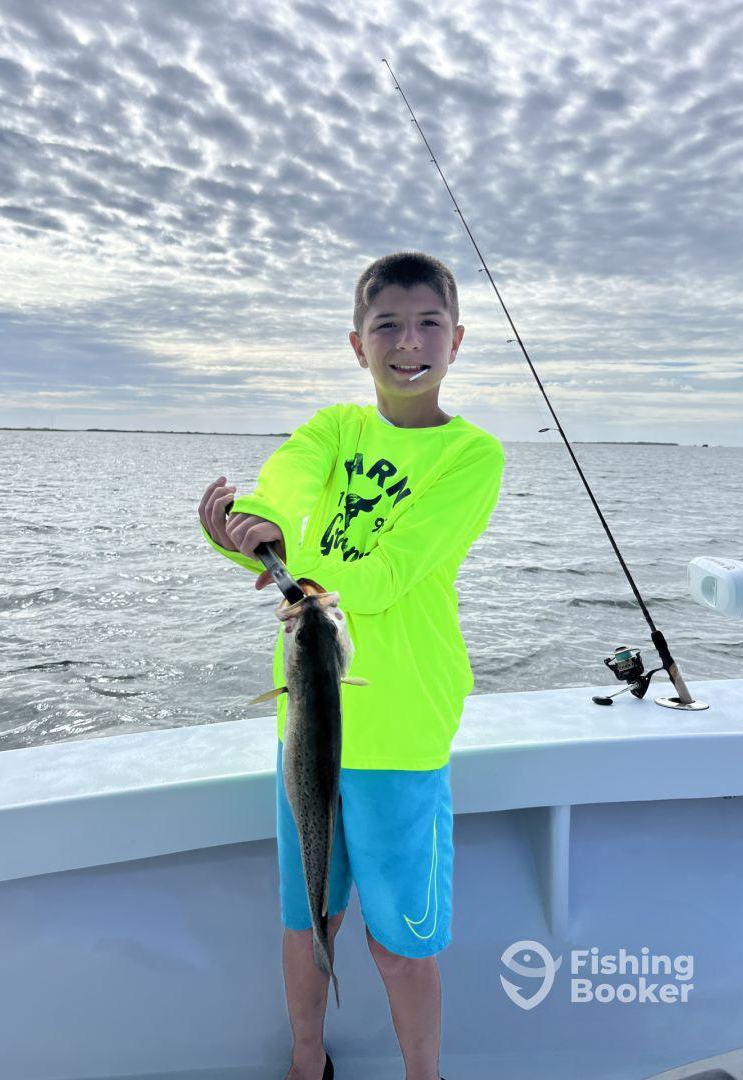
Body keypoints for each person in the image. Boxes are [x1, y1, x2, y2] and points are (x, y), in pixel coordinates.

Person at [197, 251, 506, 1080]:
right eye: (387, 326)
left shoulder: (471, 456)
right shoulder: (337, 429)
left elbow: (395, 571)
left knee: (398, 943)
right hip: (308, 728)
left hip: (401, 731)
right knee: (311, 922)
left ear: (457, 338)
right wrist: (245, 525)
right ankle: (308, 1062)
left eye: (428, 324)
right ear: (357, 343)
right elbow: (289, 479)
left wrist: (284, 556)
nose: (409, 343)